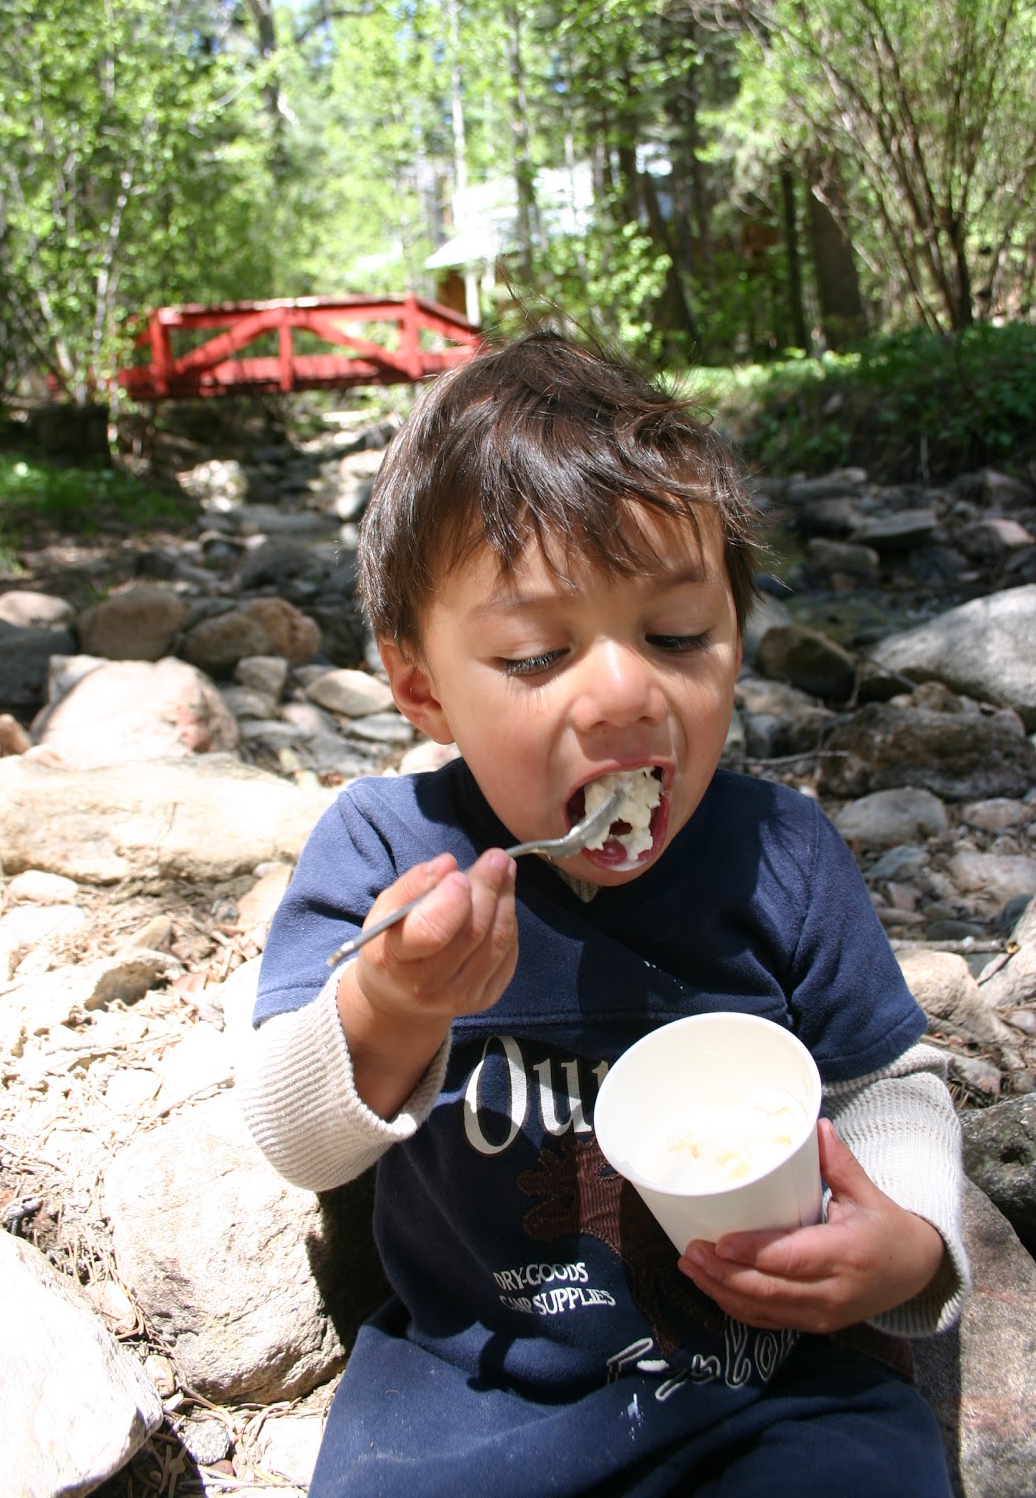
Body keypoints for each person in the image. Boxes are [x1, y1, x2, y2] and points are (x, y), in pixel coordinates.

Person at [240, 331, 969, 1498]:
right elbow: (298, 1140)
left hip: (768, 1390)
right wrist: (387, 1006)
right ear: (421, 682)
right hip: (465, 1396)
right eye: (536, 653)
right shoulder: (388, 846)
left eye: (678, 635)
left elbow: (887, 1085)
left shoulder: (779, 852)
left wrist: (910, 1243)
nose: (626, 689)